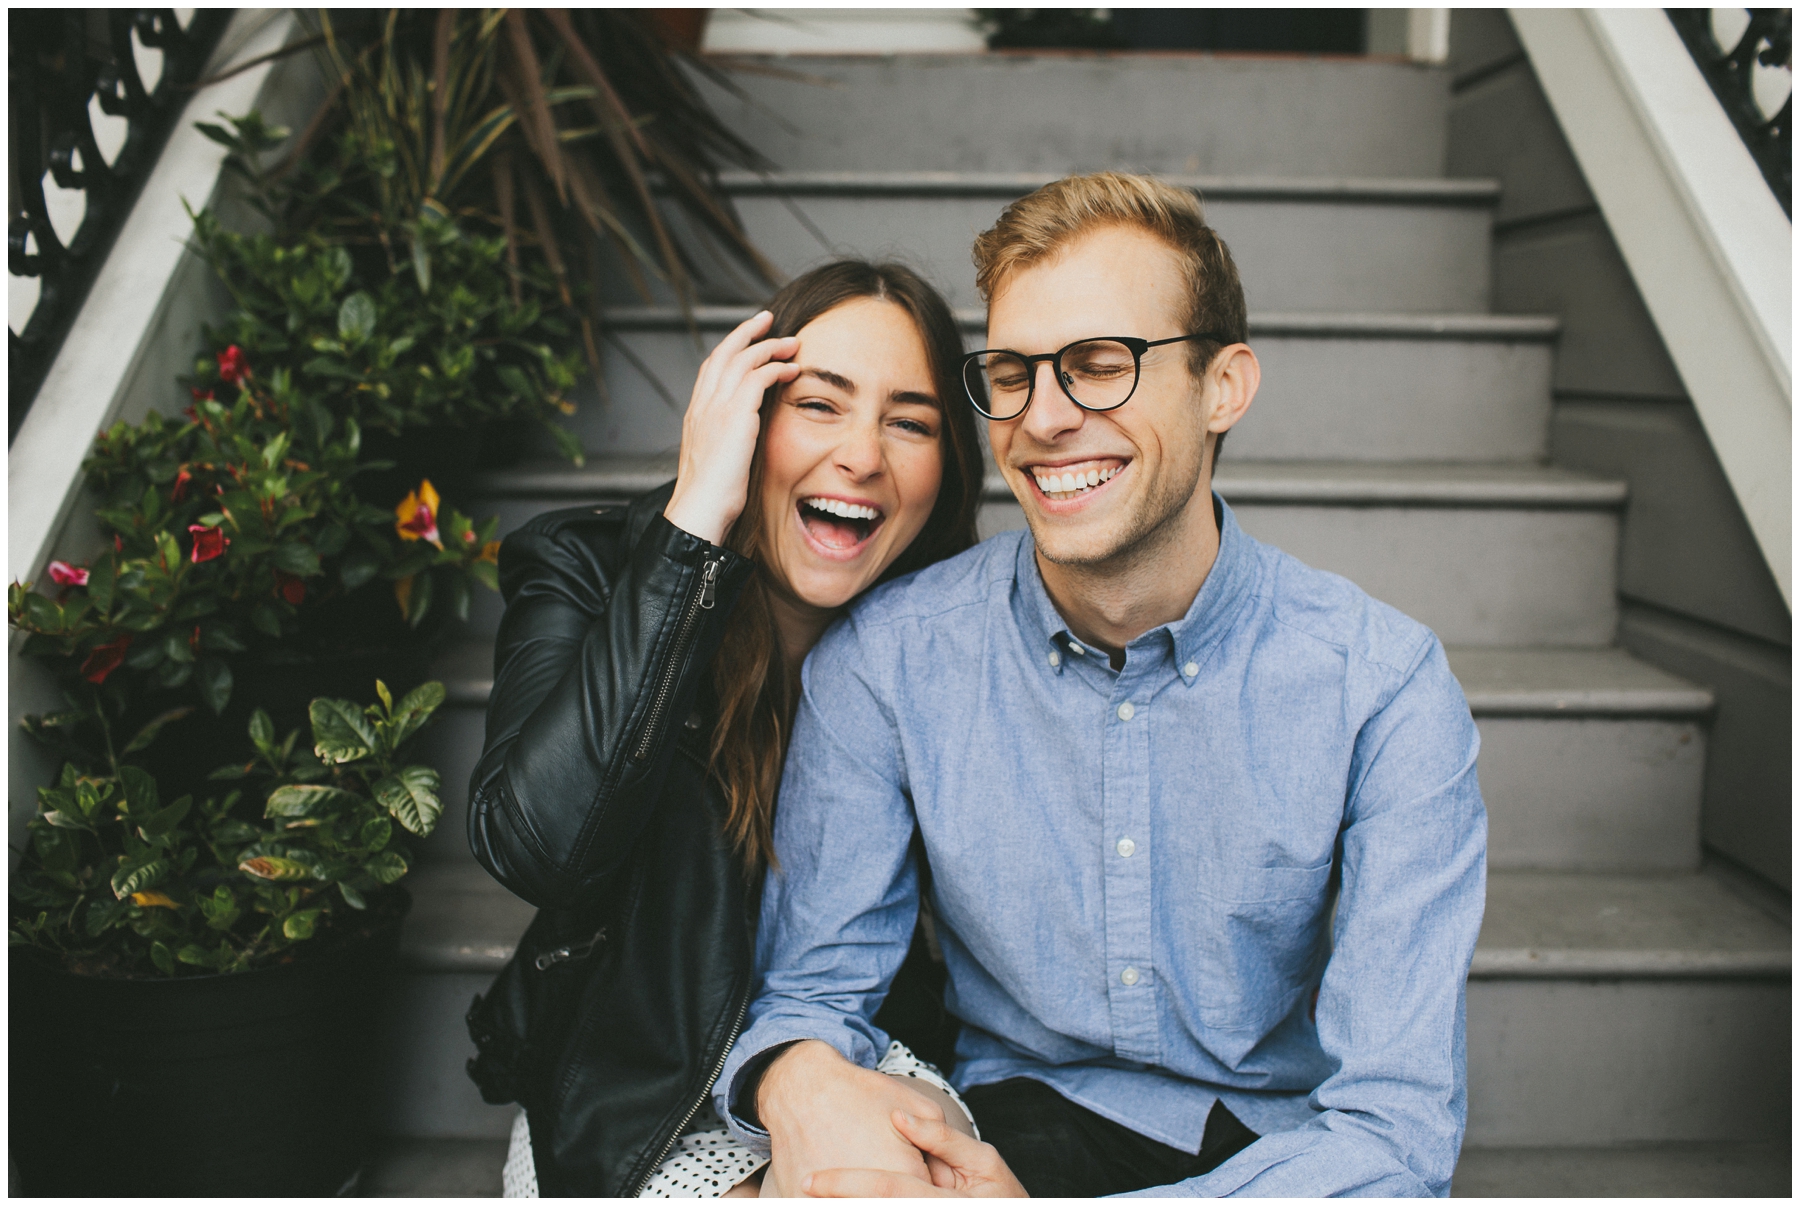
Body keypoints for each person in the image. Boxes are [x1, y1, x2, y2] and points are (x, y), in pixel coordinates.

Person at [717, 173, 1488, 1197]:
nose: (1042, 419)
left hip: (1273, 1162)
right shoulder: (890, 658)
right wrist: (799, 1079)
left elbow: (1393, 1135)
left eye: (1098, 367)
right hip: (998, 1130)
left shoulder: (1380, 691)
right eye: (1013, 372)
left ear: (1225, 387)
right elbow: (815, 991)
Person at [463, 261, 990, 1197]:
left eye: (909, 421)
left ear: (948, 467)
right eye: (820, 405)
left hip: (856, 1047)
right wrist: (696, 523)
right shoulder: (590, 570)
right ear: (747, 419)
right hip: (638, 1089)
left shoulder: (958, 636)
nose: (863, 456)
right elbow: (536, 846)